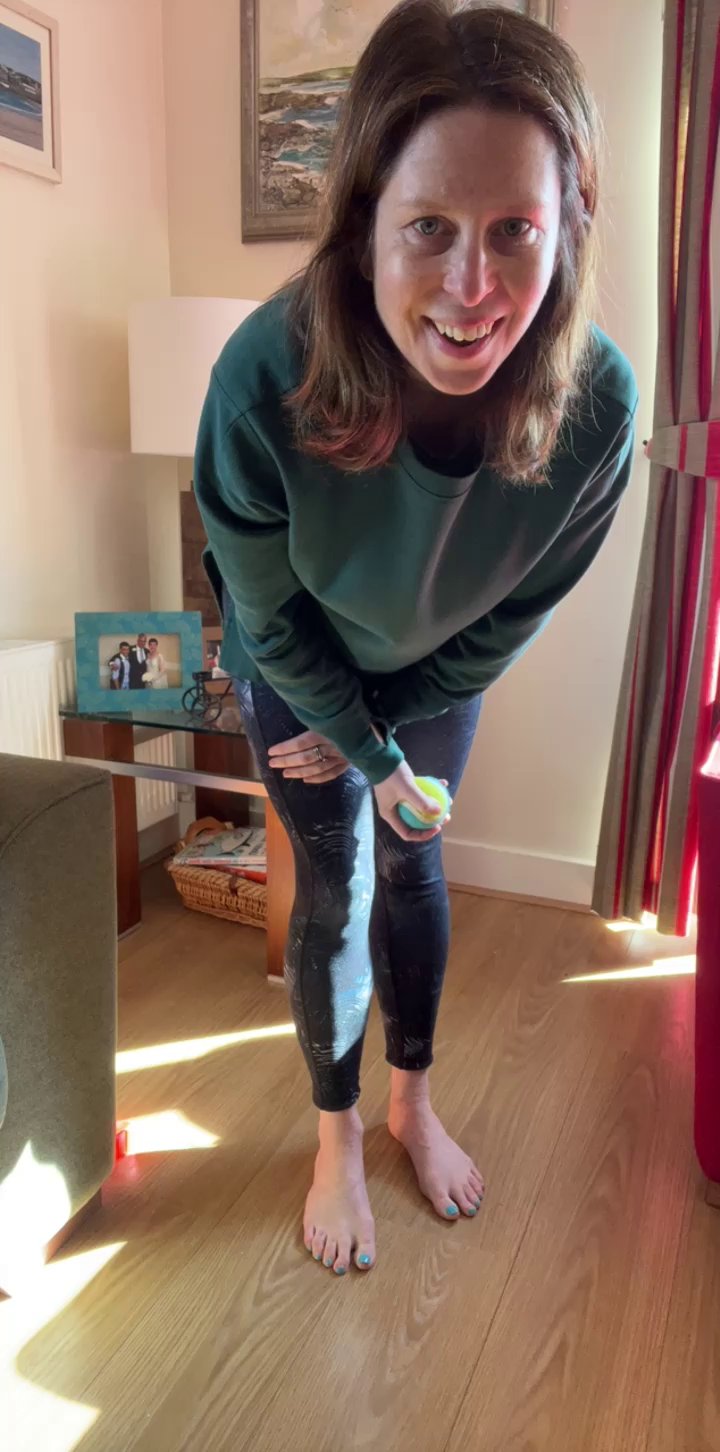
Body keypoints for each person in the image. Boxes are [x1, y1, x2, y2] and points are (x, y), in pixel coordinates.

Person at [194, 0, 638, 1279]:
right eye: (429, 228)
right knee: (335, 886)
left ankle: (411, 1101)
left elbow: (511, 616)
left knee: (416, 861)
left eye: (516, 232)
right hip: (300, 667)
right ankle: (335, 1135)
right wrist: (356, 742)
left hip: (435, 674)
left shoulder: (600, 410)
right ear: (363, 225)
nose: (472, 288)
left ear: (569, 229)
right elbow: (269, 614)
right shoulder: (259, 383)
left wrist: (386, 750)